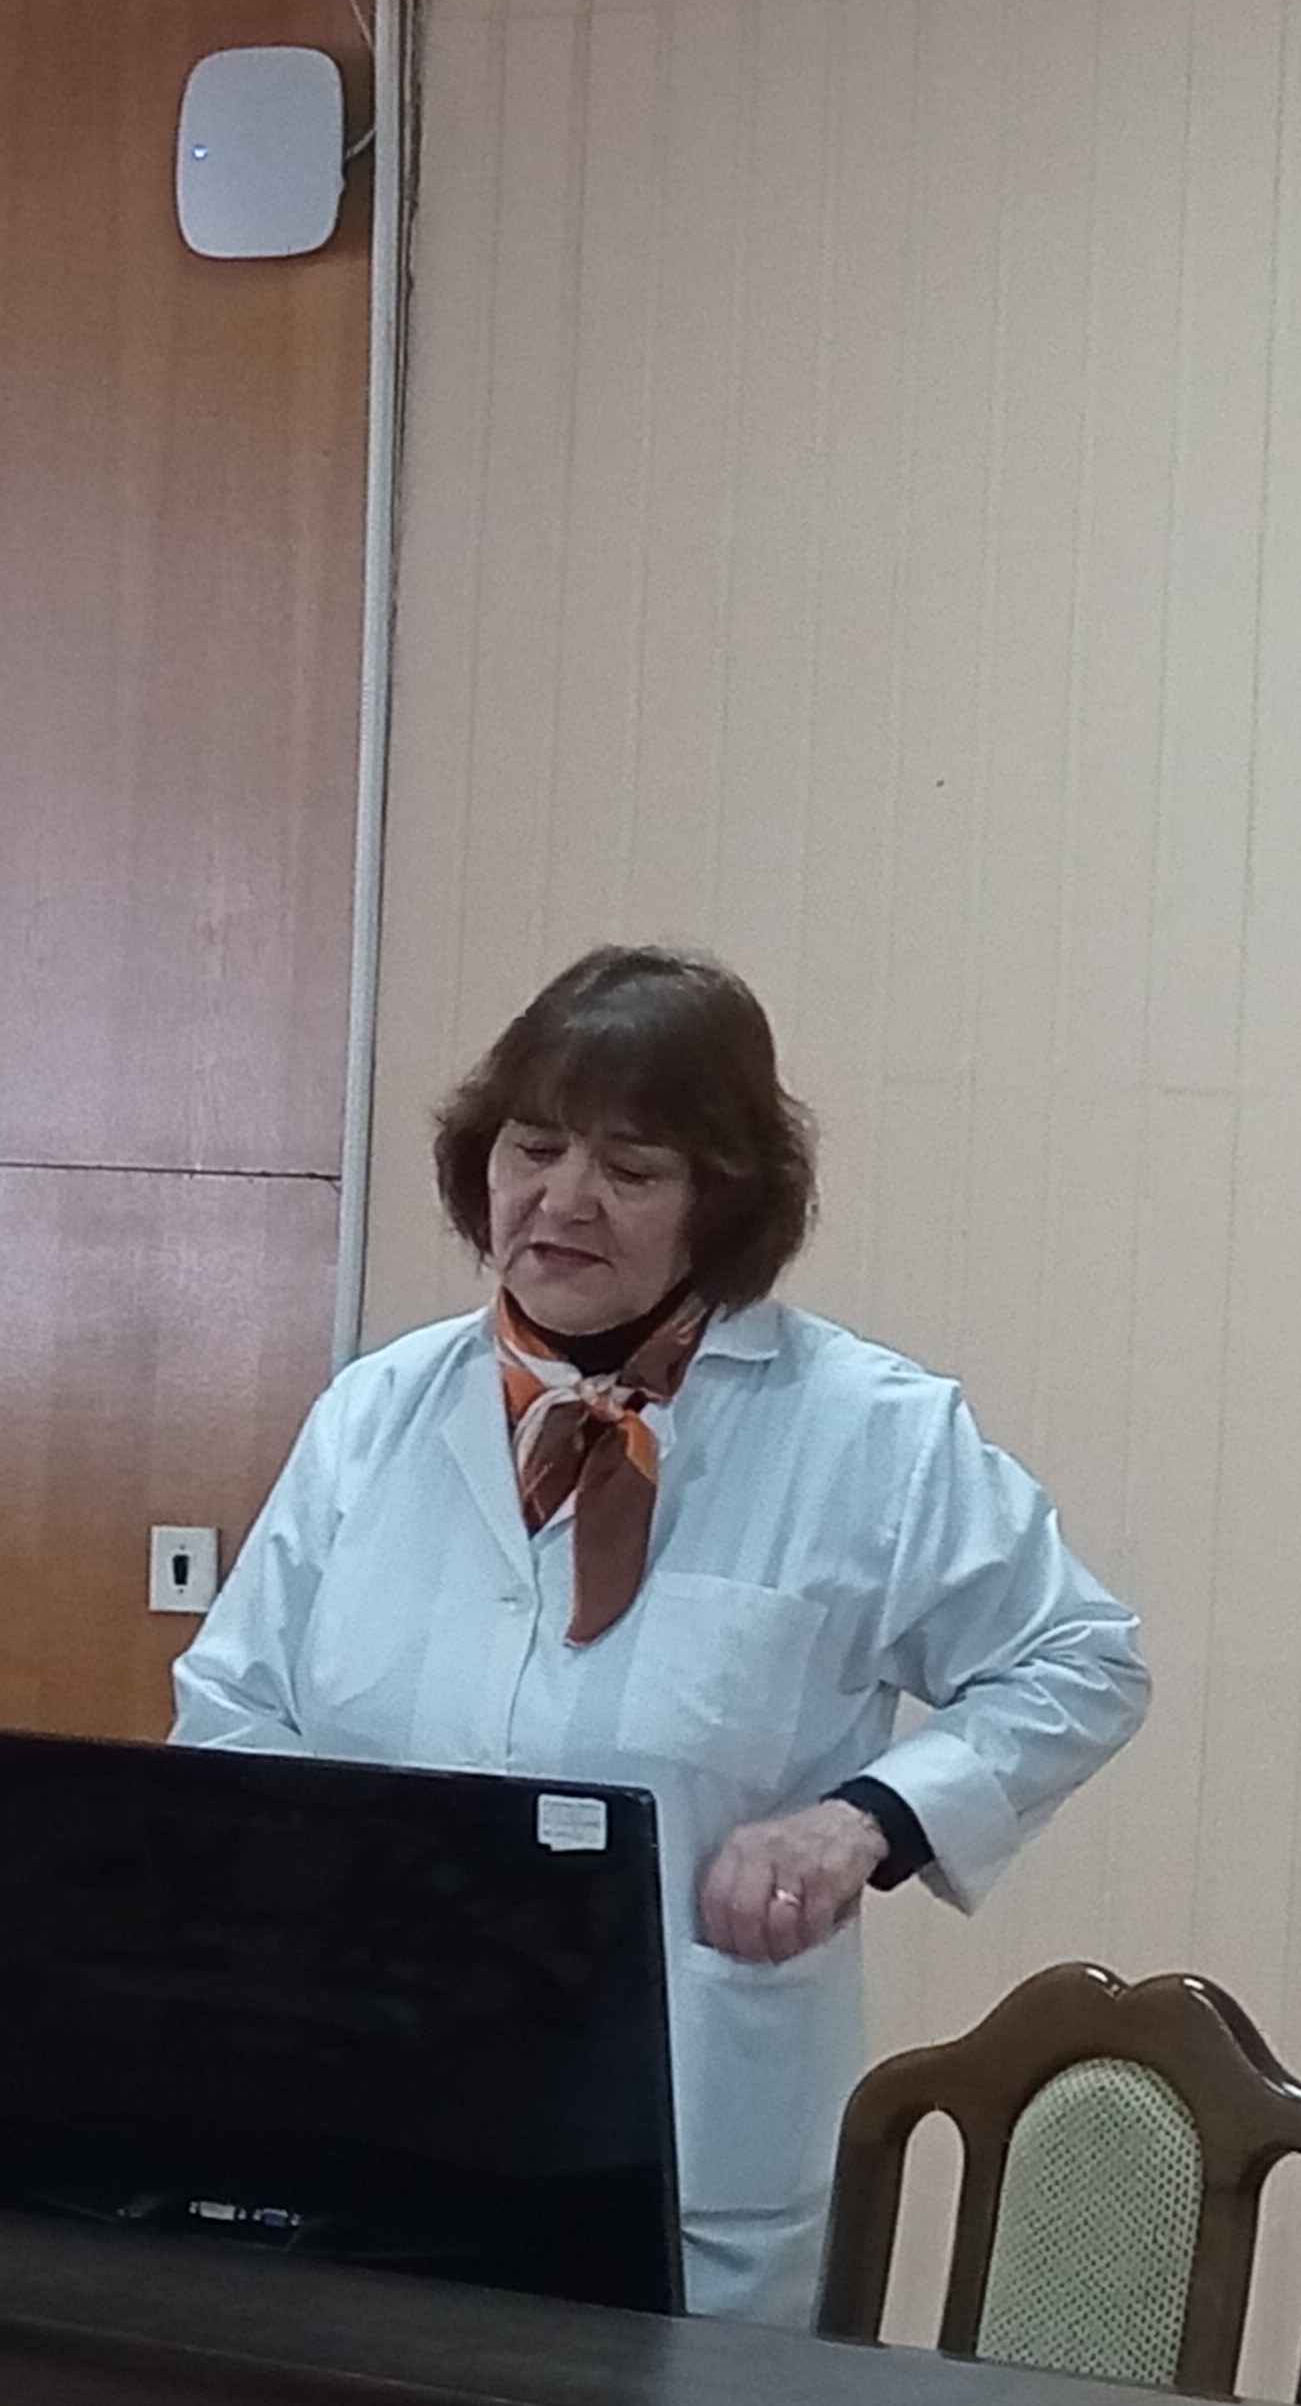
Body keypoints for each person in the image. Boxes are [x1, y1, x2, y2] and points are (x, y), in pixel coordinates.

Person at [173, 947, 1153, 2325]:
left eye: (630, 1169)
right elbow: (231, 1709)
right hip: (364, 2121)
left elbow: (1080, 1660)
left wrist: (866, 1820)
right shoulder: (375, 1413)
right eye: (533, 1148)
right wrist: (322, 1887)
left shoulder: (867, 1433)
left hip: (689, 2163)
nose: (563, 1200)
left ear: (722, 1204)